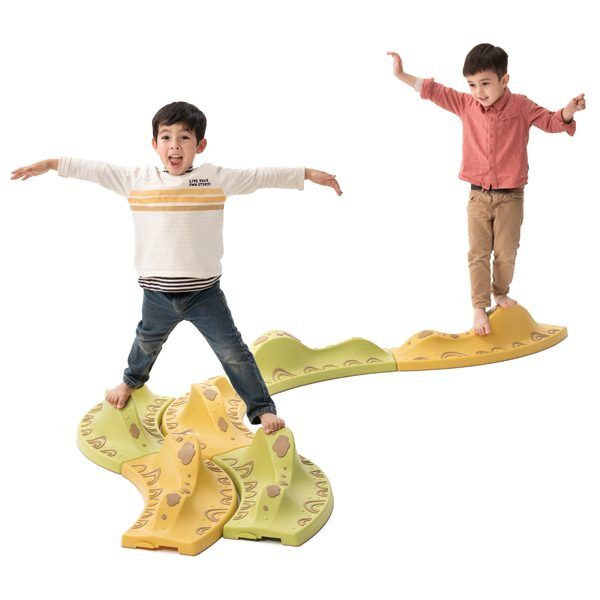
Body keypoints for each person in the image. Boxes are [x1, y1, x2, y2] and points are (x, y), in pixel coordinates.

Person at [11, 101, 342, 434]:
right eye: (166, 137)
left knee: (233, 352)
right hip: (157, 295)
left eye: (184, 137)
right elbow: (94, 170)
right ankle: (130, 381)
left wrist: (308, 174)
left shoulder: (213, 179)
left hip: (204, 294)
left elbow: (259, 177)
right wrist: (50, 165)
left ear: (200, 145)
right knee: (145, 343)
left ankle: (261, 408)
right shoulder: (137, 180)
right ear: (154, 144)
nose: (175, 145)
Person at [388, 44, 585, 335]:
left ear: (504, 80)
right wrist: (401, 75)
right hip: (478, 195)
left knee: (506, 252)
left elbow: (551, 121)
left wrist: (568, 111)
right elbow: (434, 91)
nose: (478, 92)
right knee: (478, 253)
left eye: (485, 83)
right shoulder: (465, 104)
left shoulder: (520, 106)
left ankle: (500, 292)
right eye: (471, 84)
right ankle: (479, 306)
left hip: (511, 197)